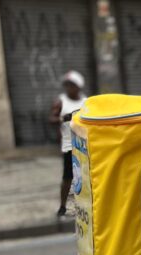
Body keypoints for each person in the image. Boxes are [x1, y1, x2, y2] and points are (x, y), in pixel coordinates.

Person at [48, 71, 87, 217]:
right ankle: (63, 206)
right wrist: (62, 118)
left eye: (72, 85)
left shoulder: (85, 101)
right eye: (67, 85)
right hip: (69, 145)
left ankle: (86, 204)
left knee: (85, 176)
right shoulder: (61, 101)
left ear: (79, 87)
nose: (69, 88)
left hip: (84, 145)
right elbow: (50, 119)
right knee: (67, 177)